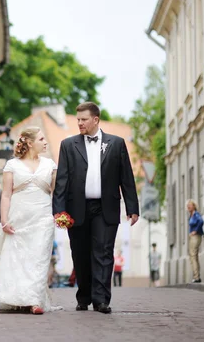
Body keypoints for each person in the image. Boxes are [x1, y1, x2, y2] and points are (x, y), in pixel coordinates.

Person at [53, 102, 139, 314]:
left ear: (96, 120)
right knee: (80, 254)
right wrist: (59, 211)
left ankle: (101, 300)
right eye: (78, 119)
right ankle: (84, 296)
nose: (79, 123)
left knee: (103, 253)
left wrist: (132, 207)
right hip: (77, 209)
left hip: (105, 208)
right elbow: (61, 181)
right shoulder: (68, 145)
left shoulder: (116, 144)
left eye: (83, 119)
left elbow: (126, 177)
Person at [0, 126, 59, 315]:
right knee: (19, 259)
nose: (45, 142)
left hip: (42, 218)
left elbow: (57, 194)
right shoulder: (12, 165)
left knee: (39, 258)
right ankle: (18, 298)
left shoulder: (50, 164)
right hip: (19, 218)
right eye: (41, 139)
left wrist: (59, 214)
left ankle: (34, 301)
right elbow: (6, 195)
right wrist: (4, 220)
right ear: (29, 142)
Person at [187, 199, 204, 283]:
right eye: (187, 206)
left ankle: (196, 277)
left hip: (196, 237)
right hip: (193, 237)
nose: (188, 207)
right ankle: (197, 276)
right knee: (194, 256)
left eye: (190, 205)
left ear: (194, 206)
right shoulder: (191, 215)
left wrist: (195, 231)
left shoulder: (196, 214)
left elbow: (201, 221)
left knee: (193, 255)